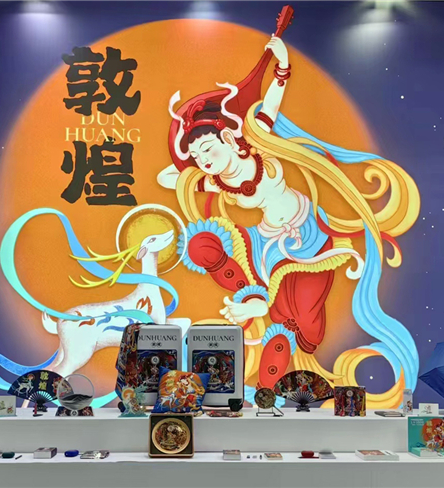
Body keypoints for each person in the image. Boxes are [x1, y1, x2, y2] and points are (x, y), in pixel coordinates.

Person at [160, 34, 419, 402]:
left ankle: (266, 372)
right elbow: (168, 178)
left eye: (207, 149)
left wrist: (282, 66)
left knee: (303, 328)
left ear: (229, 138)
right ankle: (253, 305)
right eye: (197, 157)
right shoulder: (215, 181)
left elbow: (271, 102)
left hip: (308, 239)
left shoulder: (258, 142)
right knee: (201, 243)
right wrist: (185, 161)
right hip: (265, 245)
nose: (203, 160)